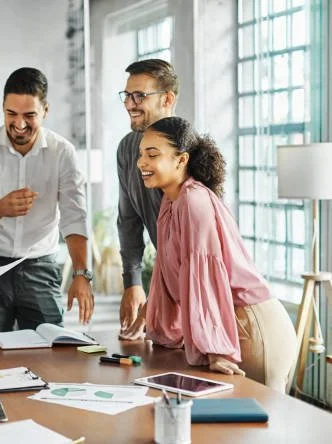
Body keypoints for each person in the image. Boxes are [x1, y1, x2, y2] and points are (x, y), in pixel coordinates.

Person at [126, 116, 296, 391]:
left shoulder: (194, 201)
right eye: (141, 154)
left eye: (152, 154)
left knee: (255, 430)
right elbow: (168, 271)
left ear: (181, 161)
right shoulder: (171, 202)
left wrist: (215, 348)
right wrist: (154, 321)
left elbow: (205, 279)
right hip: (227, 323)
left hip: (250, 327)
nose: (141, 163)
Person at [0, 67, 93, 337]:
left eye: (29, 115)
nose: (19, 124)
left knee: (50, 349)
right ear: (2, 108)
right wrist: (1, 208)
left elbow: (74, 216)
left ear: (45, 110)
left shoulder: (63, 153)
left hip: (40, 265)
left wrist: (82, 274)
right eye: (11, 114)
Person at [116, 59, 179, 340]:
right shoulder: (128, 148)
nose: (130, 104)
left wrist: (155, 301)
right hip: (168, 285)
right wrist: (133, 282)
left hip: (200, 289)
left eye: (140, 95)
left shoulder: (190, 151)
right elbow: (128, 221)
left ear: (167, 99)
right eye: (127, 95)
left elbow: (192, 251)